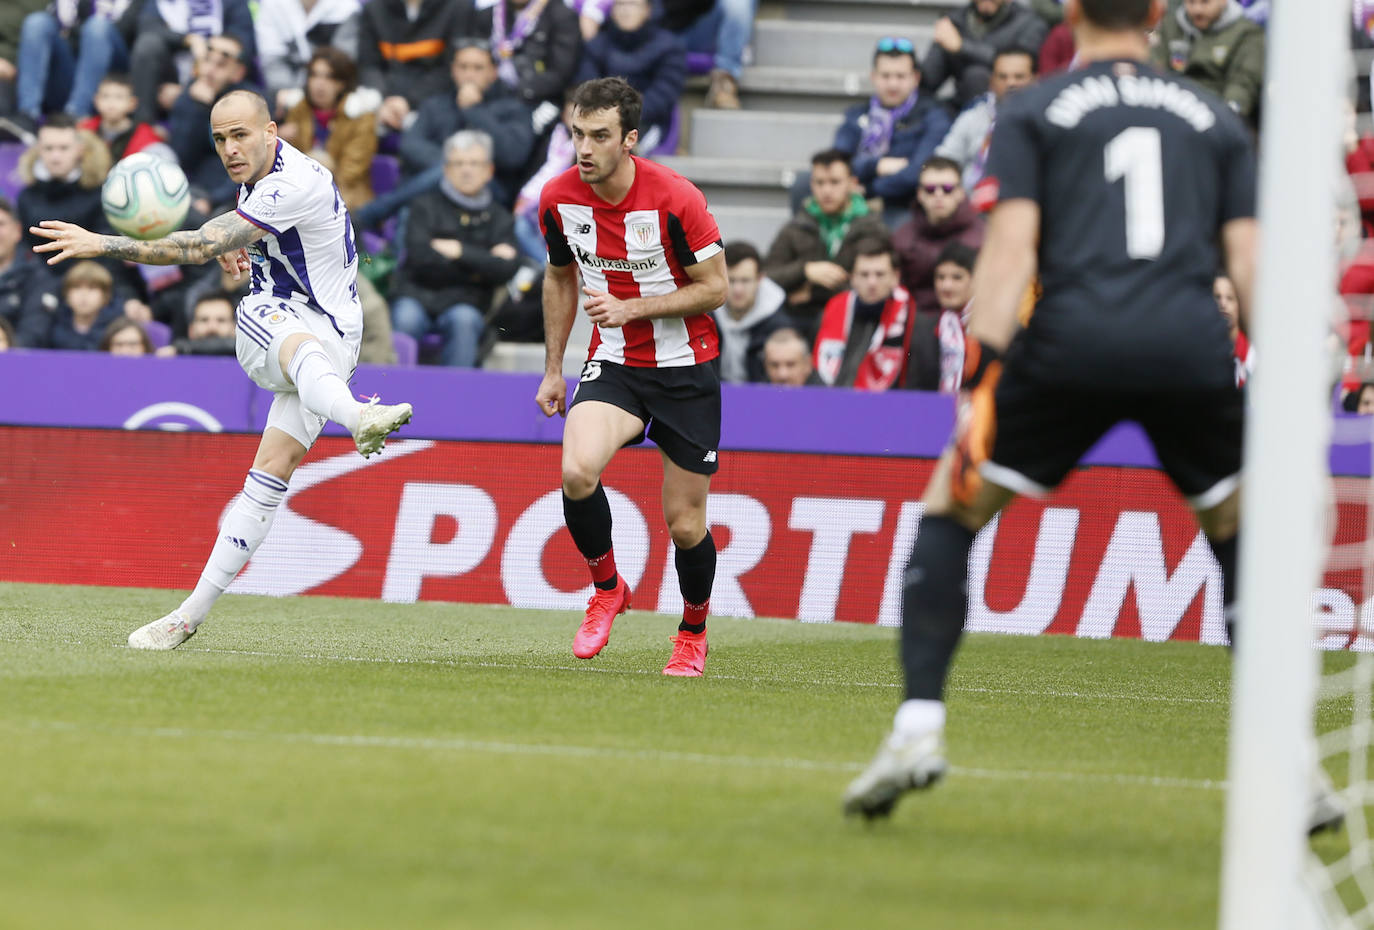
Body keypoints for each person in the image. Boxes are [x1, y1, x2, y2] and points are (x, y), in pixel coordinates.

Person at [843, 0, 1257, 818]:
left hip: (1072, 341)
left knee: (950, 508)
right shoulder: (1213, 115)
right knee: (1239, 535)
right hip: (1187, 345)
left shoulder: (1034, 107)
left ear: (1071, 12)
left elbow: (1009, 252)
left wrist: (979, 380)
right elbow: (1247, 260)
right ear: (1157, 13)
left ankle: (918, 726)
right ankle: (1291, 761)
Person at [29, 89, 414, 650]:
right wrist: (249, 247)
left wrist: (101, 243)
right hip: (331, 339)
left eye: (240, 135)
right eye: (219, 138)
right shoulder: (261, 174)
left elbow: (195, 247)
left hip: (298, 325)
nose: (229, 148)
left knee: (253, 318)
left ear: (271, 132)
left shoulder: (292, 183)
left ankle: (356, 417)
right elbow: (264, 233)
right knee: (272, 466)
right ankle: (185, 618)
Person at [535, 78, 727, 677]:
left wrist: (633, 308)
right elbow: (559, 276)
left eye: (599, 136)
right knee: (576, 471)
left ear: (630, 139)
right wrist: (553, 369)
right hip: (615, 363)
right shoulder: (558, 198)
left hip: (685, 369)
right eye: (577, 134)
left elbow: (716, 288)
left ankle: (692, 632)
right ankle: (607, 588)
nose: (584, 148)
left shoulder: (676, 198)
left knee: (686, 525)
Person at [357, 38, 534, 228]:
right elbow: (410, 144)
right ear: (453, 70)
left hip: (490, 192)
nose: (469, 74)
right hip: (434, 192)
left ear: (494, 72)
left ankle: (369, 214)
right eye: (463, 67)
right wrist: (452, 165)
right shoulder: (436, 104)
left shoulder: (514, 108)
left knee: (454, 170)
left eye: (478, 68)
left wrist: (474, 111)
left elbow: (513, 156)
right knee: (416, 206)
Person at [390, 129, 521, 367]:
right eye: (458, 163)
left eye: (474, 163)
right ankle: (393, 388)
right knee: (406, 318)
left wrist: (460, 251)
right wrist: (481, 264)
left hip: (467, 303)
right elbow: (419, 258)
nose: (466, 170)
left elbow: (506, 269)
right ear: (446, 169)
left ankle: (457, 391)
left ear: (489, 170)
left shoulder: (500, 217)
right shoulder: (423, 206)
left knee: (464, 321)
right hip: (417, 295)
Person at [766, 149, 888, 337]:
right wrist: (805, 270)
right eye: (820, 182)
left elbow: (877, 283)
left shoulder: (872, 228)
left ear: (852, 184)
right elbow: (767, 277)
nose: (826, 190)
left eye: (835, 182)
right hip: (799, 320)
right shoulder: (797, 226)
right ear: (811, 185)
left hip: (854, 318)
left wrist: (813, 293)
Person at [833, 39, 952, 220]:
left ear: (916, 78)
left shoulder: (934, 116)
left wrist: (868, 189)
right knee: (807, 184)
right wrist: (877, 166)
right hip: (852, 199)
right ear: (873, 77)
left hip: (904, 204)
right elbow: (837, 163)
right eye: (886, 76)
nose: (893, 84)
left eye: (900, 76)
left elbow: (919, 172)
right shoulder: (856, 115)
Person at [575, 0, 685, 155]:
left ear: (648, 10)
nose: (625, 11)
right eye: (620, 4)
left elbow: (664, 94)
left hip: (648, 121)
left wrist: (624, 116)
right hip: (599, 119)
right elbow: (587, 87)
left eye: (632, 4)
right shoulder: (596, 45)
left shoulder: (669, 47)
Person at [277, 47, 377, 212]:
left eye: (329, 77)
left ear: (342, 83)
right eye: (314, 75)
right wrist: (279, 142)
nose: (319, 83)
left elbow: (350, 173)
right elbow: (284, 167)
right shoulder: (299, 110)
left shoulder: (360, 116)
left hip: (346, 198)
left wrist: (317, 165)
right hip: (300, 196)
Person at [168, 33, 260, 210]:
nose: (210, 70)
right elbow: (182, 157)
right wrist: (198, 108)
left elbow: (253, 165)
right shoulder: (190, 96)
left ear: (238, 72)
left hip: (238, 196)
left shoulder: (251, 103)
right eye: (207, 60)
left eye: (221, 64)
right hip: (193, 190)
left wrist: (212, 201)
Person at [128, 0, 257, 125]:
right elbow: (147, 27)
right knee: (148, 45)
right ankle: (143, 126)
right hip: (170, 79)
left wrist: (185, 92)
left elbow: (240, 49)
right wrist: (188, 40)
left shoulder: (234, 3)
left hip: (215, 81)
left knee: (199, 98)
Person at [13, 0, 135, 130]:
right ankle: (28, 115)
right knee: (37, 22)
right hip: (69, 71)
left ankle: (77, 115)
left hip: (113, 74)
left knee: (97, 27)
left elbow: (132, 32)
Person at [812, 238, 913, 390]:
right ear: (852, 278)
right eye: (864, 274)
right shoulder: (833, 310)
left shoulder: (911, 320)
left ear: (895, 277)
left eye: (880, 274)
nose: (872, 282)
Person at [356, 0, 469, 134]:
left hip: (435, 102)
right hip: (383, 102)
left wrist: (409, 101)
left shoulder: (458, 7)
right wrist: (384, 100)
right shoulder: (374, 8)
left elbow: (451, 67)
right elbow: (368, 64)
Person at [934, 47, 1037, 193]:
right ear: (992, 81)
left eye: (1019, 77)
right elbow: (944, 160)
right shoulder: (974, 115)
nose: (1010, 83)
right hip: (970, 199)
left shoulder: (1048, 120)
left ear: (1035, 79)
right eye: (1002, 77)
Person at [893, 156, 985, 313]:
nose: (938, 194)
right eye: (930, 189)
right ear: (920, 194)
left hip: (970, 320)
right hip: (913, 320)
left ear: (961, 193)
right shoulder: (902, 237)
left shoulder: (983, 236)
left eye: (947, 188)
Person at [920, 0, 1049, 111]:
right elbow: (927, 81)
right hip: (961, 107)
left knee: (977, 75)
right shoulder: (956, 20)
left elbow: (1021, 66)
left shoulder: (1029, 23)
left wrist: (962, 46)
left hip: (1012, 105)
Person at [1150, 0, 1264, 124]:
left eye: (1205, 2)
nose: (1197, 10)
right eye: (1191, 2)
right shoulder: (1170, 26)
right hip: (1171, 110)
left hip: (1217, 115)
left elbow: (1243, 85)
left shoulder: (1247, 33)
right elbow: (1154, 70)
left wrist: (1226, 120)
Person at [17, 115, 109, 250]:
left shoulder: (100, 195)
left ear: (79, 149)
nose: (56, 157)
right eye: (49, 148)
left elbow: (107, 244)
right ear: (39, 150)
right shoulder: (27, 196)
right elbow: (21, 246)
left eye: (64, 148)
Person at [254, 0, 361, 110]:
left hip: (336, 92)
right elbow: (272, 62)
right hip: (287, 94)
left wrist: (311, 89)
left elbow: (344, 63)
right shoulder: (271, 5)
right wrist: (294, 94)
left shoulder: (347, 7)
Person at [713, 240, 788, 384]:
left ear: (760, 279)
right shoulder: (706, 316)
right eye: (731, 280)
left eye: (745, 281)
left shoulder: (779, 324)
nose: (738, 289)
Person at [906, 240, 977, 391]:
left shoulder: (990, 329)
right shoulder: (923, 330)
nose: (946, 286)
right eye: (940, 277)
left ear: (975, 280)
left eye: (957, 277)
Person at [77, 73, 172, 163]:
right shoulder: (84, 130)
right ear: (96, 100)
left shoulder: (145, 136)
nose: (111, 102)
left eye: (119, 97)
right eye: (105, 96)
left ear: (132, 103)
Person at [38, 258, 121, 350]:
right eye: (76, 287)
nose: (83, 295)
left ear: (105, 295)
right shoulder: (51, 325)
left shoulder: (117, 328)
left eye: (92, 288)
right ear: (66, 294)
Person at [157, 291, 237, 357]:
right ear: (191, 329)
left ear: (235, 328)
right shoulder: (174, 358)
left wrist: (181, 348)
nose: (212, 327)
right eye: (204, 320)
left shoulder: (180, 349)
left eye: (221, 320)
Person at [1214, 271, 1252, 386]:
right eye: (1217, 297)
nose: (1223, 304)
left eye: (1230, 298)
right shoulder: (1199, 353)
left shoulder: (1252, 356)